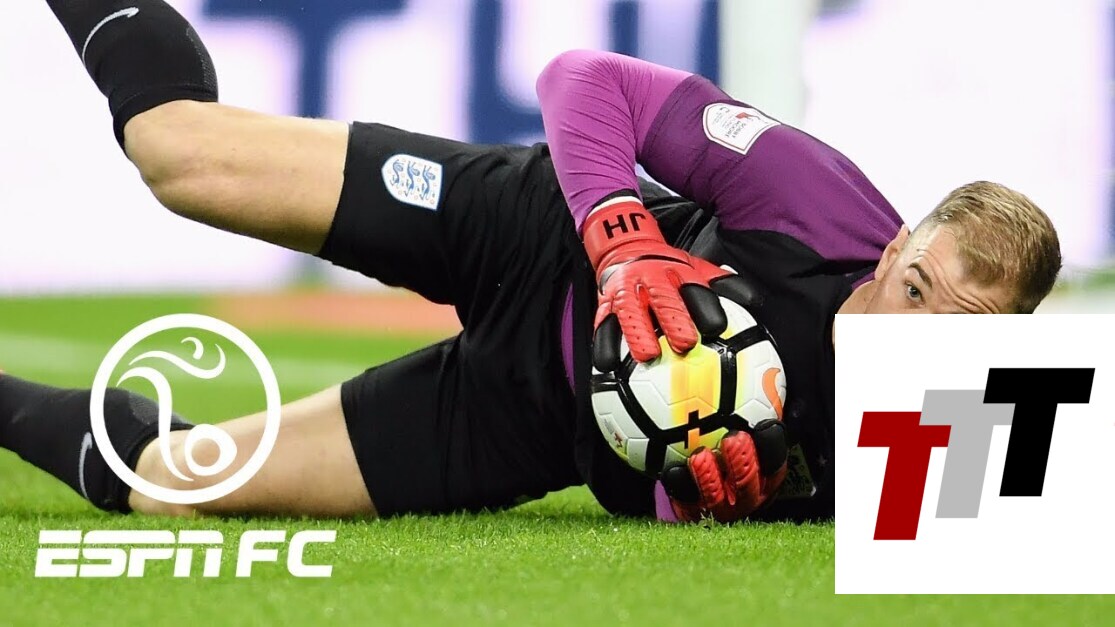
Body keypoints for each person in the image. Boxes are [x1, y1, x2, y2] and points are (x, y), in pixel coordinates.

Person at [0, 1, 1061, 523]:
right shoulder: (814, 201)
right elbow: (584, 78)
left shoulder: (936, 469)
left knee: (167, 482)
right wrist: (622, 241)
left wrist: (710, 499)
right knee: (178, 154)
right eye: (914, 290)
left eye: (955, 339)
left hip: (524, 422)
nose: (913, 340)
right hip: (530, 234)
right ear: (893, 247)